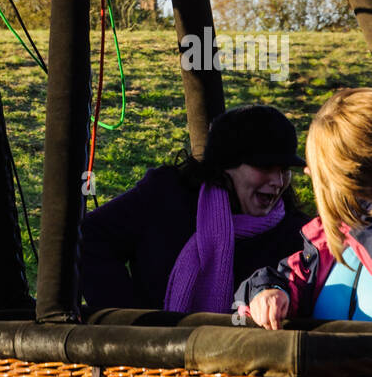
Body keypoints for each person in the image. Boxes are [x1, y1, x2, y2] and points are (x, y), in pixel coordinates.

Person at [79, 104, 306, 313]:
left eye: (284, 169)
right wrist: (133, 321)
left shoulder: (297, 234)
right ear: (227, 164)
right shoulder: (166, 196)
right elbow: (89, 238)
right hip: (148, 352)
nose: (278, 181)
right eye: (265, 167)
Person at [236, 88, 372, 327]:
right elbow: (288, 277)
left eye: (320, 171)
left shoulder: (352, 232)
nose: (308, 174)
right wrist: (268, 292)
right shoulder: (331, 242)